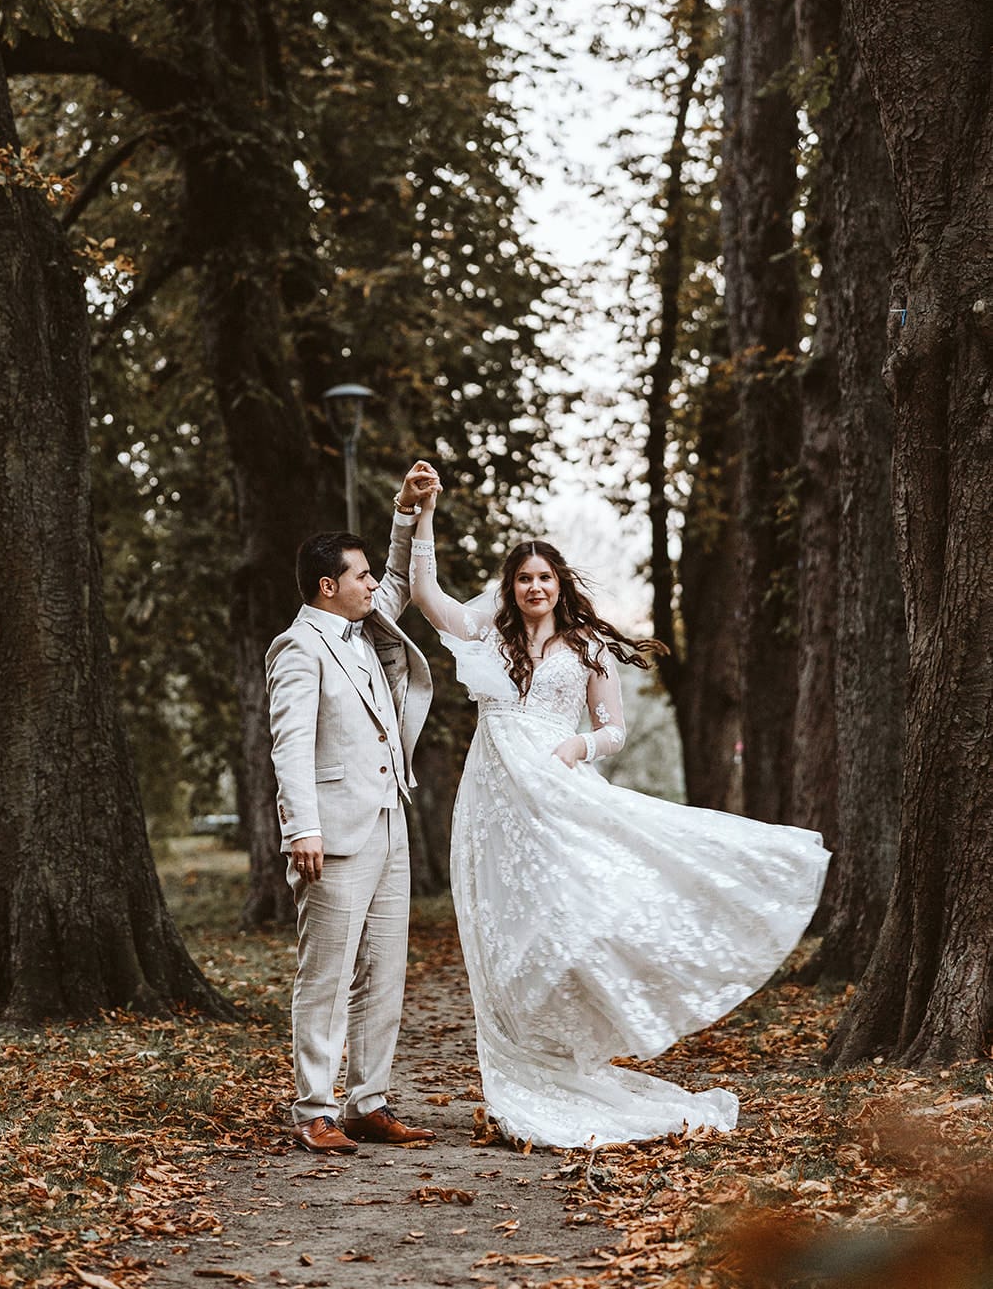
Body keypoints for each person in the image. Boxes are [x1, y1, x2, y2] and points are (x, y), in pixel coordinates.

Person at [409, 484, 830, 1150]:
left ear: (559, 583)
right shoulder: (489, 636)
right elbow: (426, 596)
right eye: (523, 578)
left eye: (543, 577)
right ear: (510, 587)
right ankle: (520, 1053)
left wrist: (579, 744)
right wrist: (420, 517)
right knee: (501, 920)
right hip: (492, 798)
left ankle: (563, 1045)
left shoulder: (587, 647)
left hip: (553, 786)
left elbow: (613, 731)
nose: (534, 587)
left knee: (568, 910)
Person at [265, 462, 442, 1154]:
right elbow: (289, 746)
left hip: (389, 821)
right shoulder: (297, 647)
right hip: (332, 834)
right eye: (360, 575)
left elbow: (395, 580)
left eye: (372, 575)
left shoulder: (365, 626)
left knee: (384, 970)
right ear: (326, 586)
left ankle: (369, 1101)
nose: (374, 584)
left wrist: (405, 511)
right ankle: (314, 1107)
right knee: (327, 975)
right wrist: (300, 827)